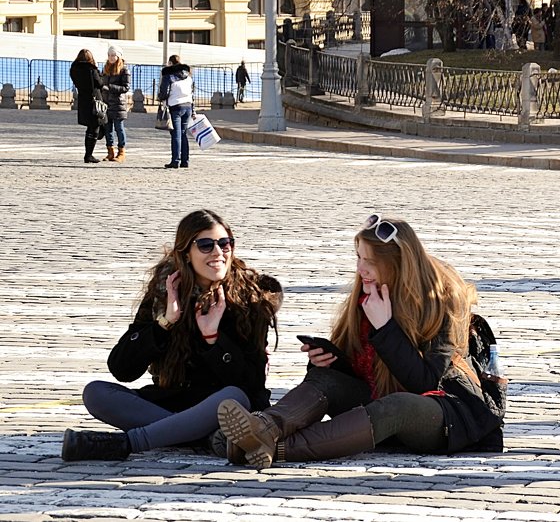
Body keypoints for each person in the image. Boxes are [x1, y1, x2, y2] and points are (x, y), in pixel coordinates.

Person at [216, 215, 504, 469]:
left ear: (397, 265)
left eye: (370, 261)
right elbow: (358, 374)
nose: (360, 269)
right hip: (374, 408)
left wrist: (386, 327)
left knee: (396, 406)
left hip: (441, 415)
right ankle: (264, 429)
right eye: (358, 258)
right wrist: (328, 362)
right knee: (326, 380)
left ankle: (261, 447)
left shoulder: (440, 303)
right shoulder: (367, 295)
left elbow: (425, 384)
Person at [62, 210, 283, 461]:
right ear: (186, 254)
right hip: (174, 402)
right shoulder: (165, 292)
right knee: (96, 393)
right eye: (206, 245)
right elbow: (122, 369)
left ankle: (129, 443)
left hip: (226, 406)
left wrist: (212, 338)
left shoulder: (252, 298)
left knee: (232, 397)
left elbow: (252, 384)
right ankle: (204, 438)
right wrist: (165, 322)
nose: (218, 252)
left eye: (225, 243)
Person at [68, 49, 103, 164]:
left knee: (91, 127)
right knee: (96, 126)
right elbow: (99, 83)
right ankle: (89, 154)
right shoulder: (91, 69)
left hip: (83, 99)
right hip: (94, 99)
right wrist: (97, 70)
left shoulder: (74, 69)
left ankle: (88, 154)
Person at [159, 55, 194, 169]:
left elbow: (164, 93)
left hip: (175, 106)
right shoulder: (188, 76)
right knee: (183, 134)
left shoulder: (168, 76)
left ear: (170, 63)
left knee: (176, 135)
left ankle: (175, 161)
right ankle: (185, 160)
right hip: (188, 106)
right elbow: (191, 92)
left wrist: (160, 97)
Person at [100, 45, 131, 163]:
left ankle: (121, 152)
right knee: (107, 128)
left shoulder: (124, 69)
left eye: (113, 55)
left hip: (118, 104)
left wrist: (110, 87)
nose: (111, 58)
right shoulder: (106, 68)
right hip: (107, 103)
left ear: (118, 56)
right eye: (109, 55)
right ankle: (110, 151)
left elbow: (126, 87)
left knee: (119, 128)